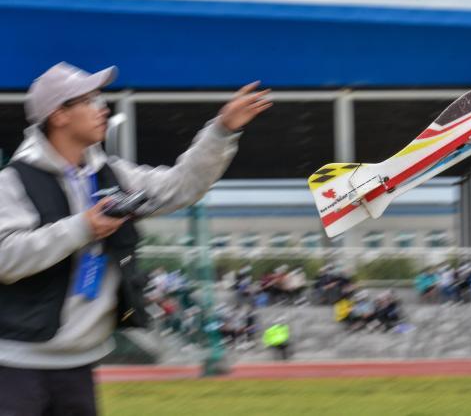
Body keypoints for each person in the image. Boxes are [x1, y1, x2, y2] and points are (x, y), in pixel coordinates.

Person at [0, 62, 272, 415]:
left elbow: (181, 186)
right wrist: (82, 227)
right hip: (15, 365)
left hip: (79, 365)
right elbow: (5, 259)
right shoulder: (11, 183)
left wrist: (221, 131)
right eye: (89, 100)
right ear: (59, 115)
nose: (102, 108)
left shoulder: (114, 175)